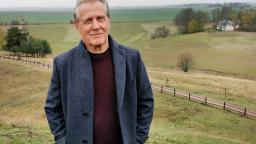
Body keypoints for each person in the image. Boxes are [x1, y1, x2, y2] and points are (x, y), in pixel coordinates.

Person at [44, 0, 154, 143]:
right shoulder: (63, 63)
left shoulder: (132, 58)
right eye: (88, 20)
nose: (96, 26)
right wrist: (63, 140)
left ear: (108, 21)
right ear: (77, 25)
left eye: (100, 18)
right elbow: (52, 108)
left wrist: (137, 140)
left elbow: (146, 102)